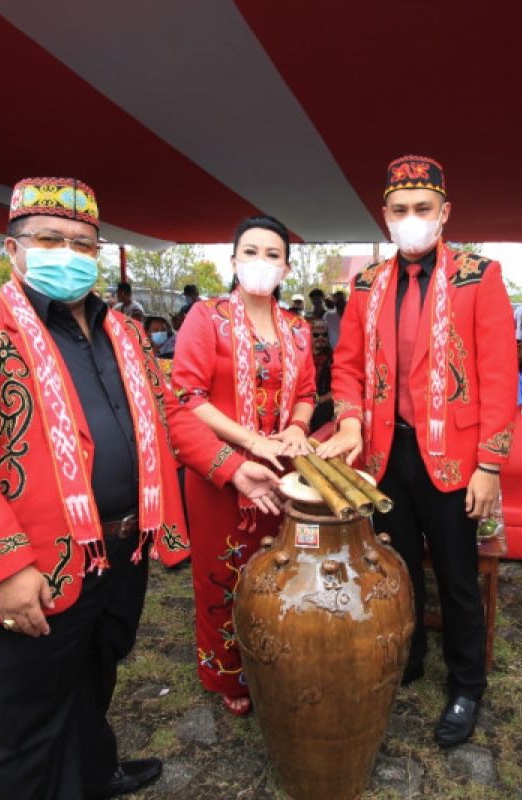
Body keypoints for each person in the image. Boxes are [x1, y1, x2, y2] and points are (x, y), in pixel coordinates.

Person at [0, 178, 280, 800]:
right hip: (35, 563)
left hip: (122, 551)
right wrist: (2, 568)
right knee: (27, 718)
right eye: (49, 238)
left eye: (83, 243)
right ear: (11, 249)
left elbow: (172, 417)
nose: (68, 253)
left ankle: (90, 772)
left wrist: (231, 465)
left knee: (94, 676)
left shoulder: (128, 333)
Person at [317, 155, 517, 747]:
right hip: (384, 455)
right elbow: (347, 367)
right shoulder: (364, 285)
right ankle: (409, 656)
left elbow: (501, 375)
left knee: (457, 576)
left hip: (453, 457)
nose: (411, 220)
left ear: (444, 213)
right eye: (400, 211)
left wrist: (489, 463)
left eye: (422, 210)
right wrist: (349, 422)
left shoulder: (479, 275)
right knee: (396, 567)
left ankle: (466, 684)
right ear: (384, 216)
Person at [171, 214, 316, 717]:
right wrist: (251, 439)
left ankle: (275, 659)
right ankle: (227, 673)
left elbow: (308, 394)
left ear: (286, 267)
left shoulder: (298, 328)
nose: (261, 262)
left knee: (279, 570)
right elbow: (188, 395)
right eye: (250, 252)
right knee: (221, 574)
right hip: (219, 469)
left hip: (282, 468)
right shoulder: (205, 317)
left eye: (272, 254)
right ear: (233, 261)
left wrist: (296, 428)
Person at [309, 317, 334, 432]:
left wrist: (319, 399)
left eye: (324, 335)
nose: (320, 338)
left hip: (323, 406)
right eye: (316, 335)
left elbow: (339, 389)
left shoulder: (334, 358)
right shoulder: (298, 355)